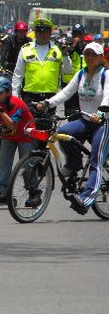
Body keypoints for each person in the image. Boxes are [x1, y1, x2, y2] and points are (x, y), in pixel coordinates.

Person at [37, 42, 109, 214]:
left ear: (100, 58)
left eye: (94, 55)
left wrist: (101, 112)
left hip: (104, 122)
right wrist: (47, 103)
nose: (90, 58)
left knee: (96, 160)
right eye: (87, 54)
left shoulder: (106, 75)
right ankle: (75, 163)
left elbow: (108, 96)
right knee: (62, 133)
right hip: (85, 121)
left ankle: (86, 199)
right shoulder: (81, 74)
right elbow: (65, 93)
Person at [0, 77, 35, 204]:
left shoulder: (17, 104)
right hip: (9, 135)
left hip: (25, 135)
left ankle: (34, 193)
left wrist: (1, 113)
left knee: (27, 166)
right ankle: (2, 191)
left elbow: (13, 125)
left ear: (8, 92)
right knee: (4, 163)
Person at [12, 18, 71, 112]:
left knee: (47, 125)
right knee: (30, 125)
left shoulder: (58, 49)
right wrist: (15, 96)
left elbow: (68, 71)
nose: (42, 34)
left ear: (50, 33)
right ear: (35, 33)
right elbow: (18, 74)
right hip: (30, 96)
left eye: (45, 31)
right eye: (39, 31)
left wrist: (65, 55)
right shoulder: (26, 49)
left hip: (50, 97)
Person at [61, 23, 87, 117]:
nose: (77, 37)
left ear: (83, 35)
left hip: (84, 85)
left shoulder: (87, 48)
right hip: (69, 84)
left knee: (84, 113)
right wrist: (73, 45)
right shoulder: (67, 48)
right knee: (71, 114)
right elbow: (66, 58)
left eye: (79, 34)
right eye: (74, 34)